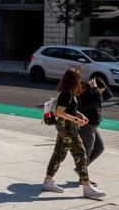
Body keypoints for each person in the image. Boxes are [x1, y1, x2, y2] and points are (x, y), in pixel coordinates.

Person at [42, 69, 105, 199]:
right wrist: (76, 120)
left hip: (65, 127)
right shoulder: (66, 93)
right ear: (73, 80)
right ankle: (87, 187)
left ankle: (48, 181)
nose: (80, 81)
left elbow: (69, 110)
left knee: (59, 153)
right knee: (81, 154)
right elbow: (60, 112)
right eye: (78, 78)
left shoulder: (69, 93)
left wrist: (80, 115)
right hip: (67, 128)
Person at [78, 75, 111, 170]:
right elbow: (98, 99)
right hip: (86, 126)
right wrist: (96, 89)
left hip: (93, 127)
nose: (101, 94)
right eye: (100, 91)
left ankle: (81, 169)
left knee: (100, 148)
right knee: (87, 152)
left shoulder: (95, 94)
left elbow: (109, 95)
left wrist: (99, 82)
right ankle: (82, 174)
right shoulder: (87, 94)